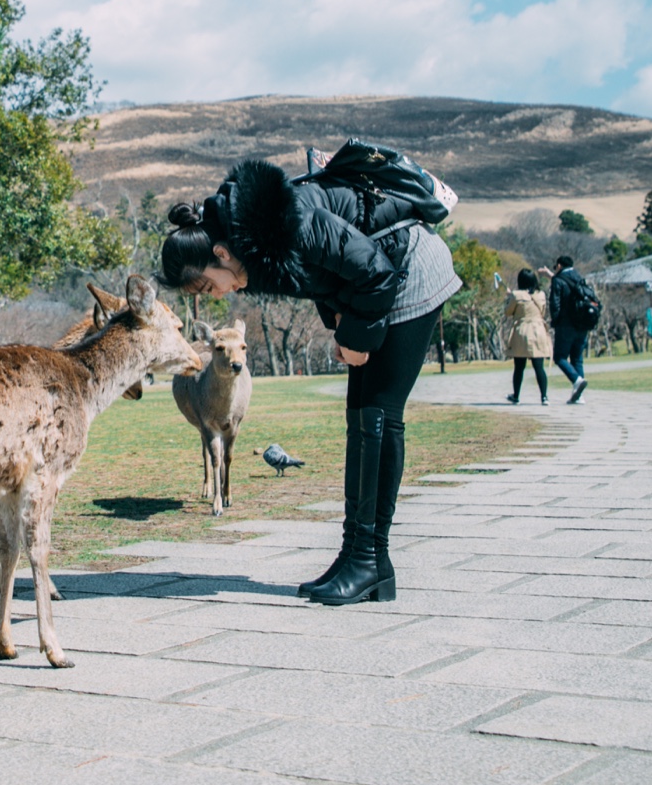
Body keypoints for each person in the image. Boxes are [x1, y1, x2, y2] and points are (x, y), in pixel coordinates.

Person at [160, 157, 460, 607]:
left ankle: (366, 561)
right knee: (361, 417)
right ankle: (362, 559)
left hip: (410, 269)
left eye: (208, 287)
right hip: (377, 285)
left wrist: (356, 337)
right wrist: (341, 324)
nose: (218, 295)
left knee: (378, 416)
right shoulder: (255, 247)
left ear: (220, 253)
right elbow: (323, 277)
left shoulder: (283, 222)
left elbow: (373, 269)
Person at [545, 254, 592, 403]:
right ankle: (579, 396)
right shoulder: (579, 278)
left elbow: (555, 304)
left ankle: (576, 380)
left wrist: (555, 321)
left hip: (565, 325)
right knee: (577, 358)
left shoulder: (558, 280)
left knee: (559, 357)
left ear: (559, 265)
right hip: (583, 325)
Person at [503, 270, 552, 404]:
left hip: (522, 331)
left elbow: (508, 312)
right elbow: (542, 312)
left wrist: (509, 297)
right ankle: (544, 396)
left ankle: (516, 395)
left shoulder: (516, 295)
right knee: (539, 367)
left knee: (519, 367)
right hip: (538, 330)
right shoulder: (541, 295)